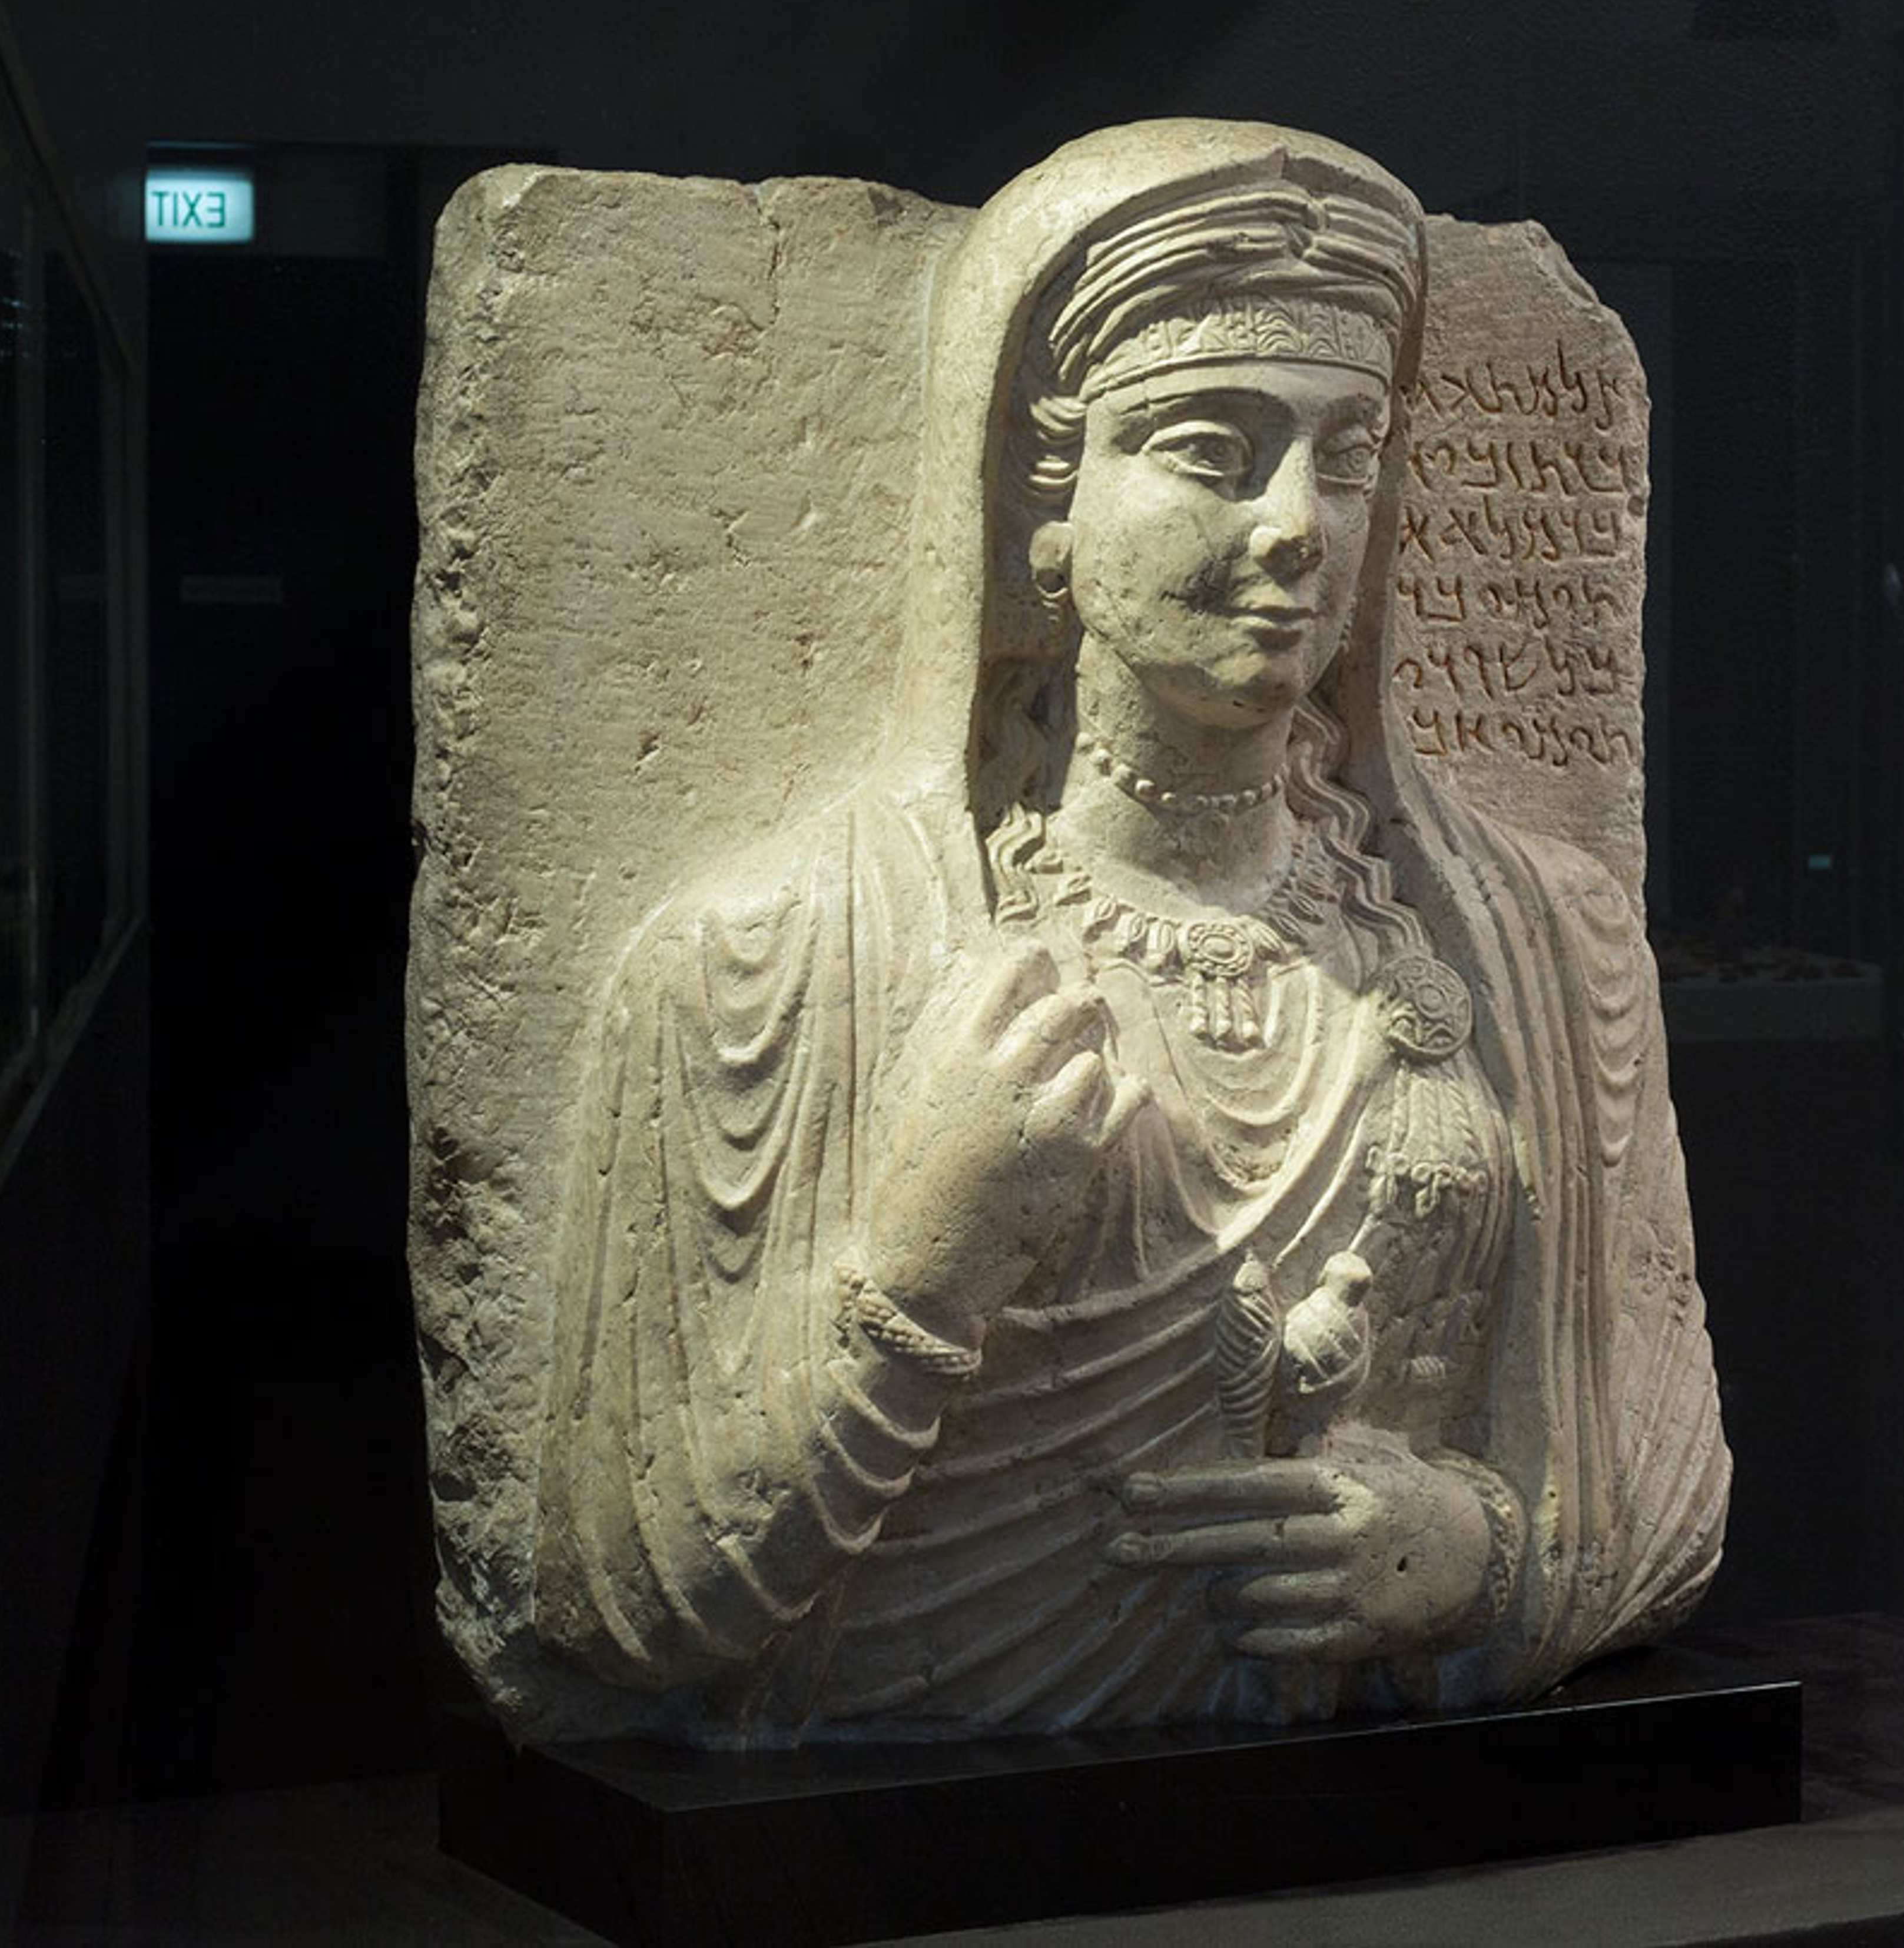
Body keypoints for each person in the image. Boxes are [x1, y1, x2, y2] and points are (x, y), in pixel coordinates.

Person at [533, 120, 1727, 1741]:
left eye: (1347, 454)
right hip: (904, 1842)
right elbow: (623, 1601)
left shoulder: (1536, 942)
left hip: (1403, 1839)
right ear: (1048, 497)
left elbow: (1670, 1499)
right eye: (1211, 446)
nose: (1300, 523)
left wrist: (1477, 1557)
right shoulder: (769, 964)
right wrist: (917, 1274)